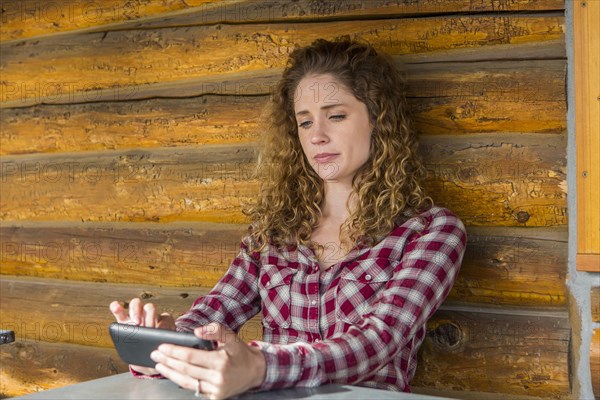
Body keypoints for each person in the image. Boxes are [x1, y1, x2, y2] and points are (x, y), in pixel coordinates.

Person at [110, 38, 467, 400]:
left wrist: (259, 367)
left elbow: (378, 340)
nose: (317, 137)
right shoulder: (274, 231)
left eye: (336, 115)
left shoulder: (431, 232)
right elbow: (216, 310)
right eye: (305, 122)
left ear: (379, 118)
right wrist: (165, 343)